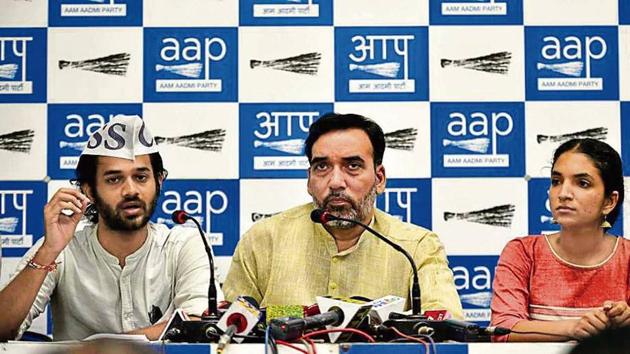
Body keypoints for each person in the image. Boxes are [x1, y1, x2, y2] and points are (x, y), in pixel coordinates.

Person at [0, 115, 219, 341]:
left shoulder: (184, 245)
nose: (131, 190)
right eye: (114, 180)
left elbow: (199, 327)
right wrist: (49, 251)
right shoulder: (61, 250)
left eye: (141, 177)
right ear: (89, 191)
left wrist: (97, 348)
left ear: (159, 181)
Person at [223, 113, 463, 318]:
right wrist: (297, 316)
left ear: (379, 179)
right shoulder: (265, 239)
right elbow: (231, 327)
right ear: (309, 180)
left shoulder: (416, 247)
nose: (336, 182)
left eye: (353, 166)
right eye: (322, 167)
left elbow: (443, 328)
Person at [491, 138, 630, 341]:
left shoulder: (627, 258)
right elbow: (502, 330)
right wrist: (572, 329)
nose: (563, 194)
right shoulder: (523, 252)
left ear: (609, 201)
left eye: (582, 183)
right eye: (556, 181)